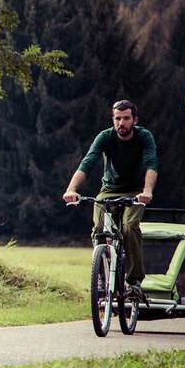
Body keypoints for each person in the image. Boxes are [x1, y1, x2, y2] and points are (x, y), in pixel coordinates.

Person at [63, 99, 158, 298]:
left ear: (135, 120)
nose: (121, 123)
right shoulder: (105, 137)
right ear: (112, 120)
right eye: (117, 118)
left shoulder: (144, 137)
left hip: (135, 192)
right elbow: (87, 162)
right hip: (108, 191)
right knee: (98, 229)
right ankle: (100, 276)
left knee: (129, 226)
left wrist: (147, 191)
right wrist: (71, 189)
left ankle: (134, 281)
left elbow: (151, 164)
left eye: (126, 118)